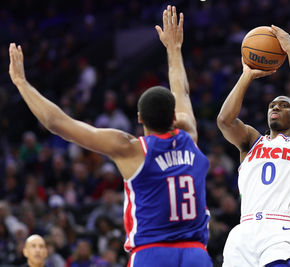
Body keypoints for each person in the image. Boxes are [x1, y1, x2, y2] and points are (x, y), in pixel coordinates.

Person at [9, 5, 211, 267]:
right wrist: (174, 49)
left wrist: (22, 83)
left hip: (153, 253)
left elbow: (56, 123)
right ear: (175, 117)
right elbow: (181, 91)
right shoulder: (189, 135)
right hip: (196, 253)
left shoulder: (130, 148)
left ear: (139, 119)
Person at [217, 25, 290, 267]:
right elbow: (224, 121)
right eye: (271, 105)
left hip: (281, 231)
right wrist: (246, 75)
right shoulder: (252, 141)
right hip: (243, 232)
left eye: (284, 105)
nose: (275, 107)